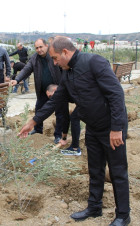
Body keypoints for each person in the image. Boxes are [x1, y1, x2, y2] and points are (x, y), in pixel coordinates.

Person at [18, 37, 130, 226]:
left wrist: (117, 128)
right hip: (93, 127)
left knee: (118, 172)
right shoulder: (67, 73)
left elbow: (116, 93)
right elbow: (56, 100)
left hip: (111, 128)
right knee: (95, 170)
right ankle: (94, 207)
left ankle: (123, 215)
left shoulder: (94, 63)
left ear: (65, 53)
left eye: (55, 58)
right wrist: (33, 121)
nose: (54, 63)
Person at [10, 38, 67, 144]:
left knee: (60, 113)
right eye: (37, 48)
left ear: (46, 46)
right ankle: (38, 130)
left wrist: (61, 87)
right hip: (42, 91)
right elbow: (26, 69)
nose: (39, 50)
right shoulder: (34, 58)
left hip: (56, 90)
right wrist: (17, 79)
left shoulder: (53, 55)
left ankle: (58, 135)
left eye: (41, 47)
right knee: (39, 109)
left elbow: (64, 70)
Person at [46, 84, 81, 156]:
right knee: (74, 116)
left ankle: (75, 149)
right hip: (84, 100)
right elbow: (65, 117)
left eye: (51, 96)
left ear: (55, 90)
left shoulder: (68, 89)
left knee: (75, 117)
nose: (51, 99)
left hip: (89, 97)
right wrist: (64, 138)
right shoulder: (62, 97)